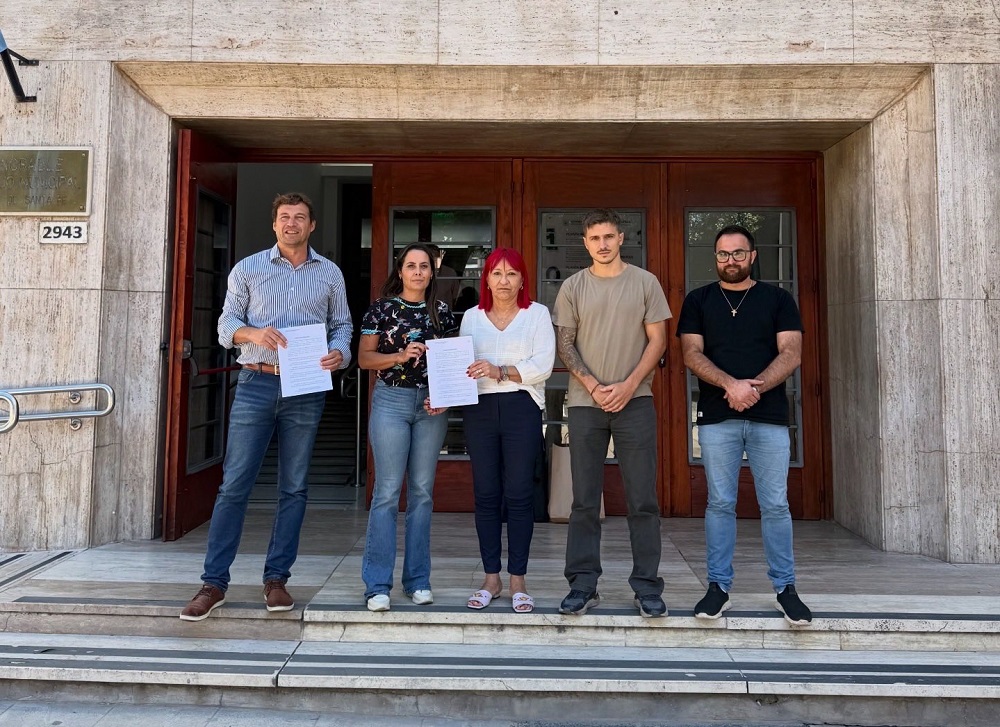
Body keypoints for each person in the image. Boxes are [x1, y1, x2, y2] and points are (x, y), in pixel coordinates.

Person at [180, 192, 352, 622]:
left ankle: (277, 579)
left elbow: (343, 324)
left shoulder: (330, 273)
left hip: (306, 387)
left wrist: (340, 352)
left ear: (312, 225)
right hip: (257, 381)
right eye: (284, 217)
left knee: (294, 487)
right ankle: (213, 583)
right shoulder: (248, 269)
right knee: (234, 485)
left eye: (300, 217)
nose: (292, 223)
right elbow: (225, 325)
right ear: (274, 224)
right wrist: (253, 334)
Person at [676, 224, 812, 626]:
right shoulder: (698, 300)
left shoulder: (778, 299)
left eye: (738, 253)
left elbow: (792, 352)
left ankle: (786, 589)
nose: (730, 260)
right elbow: (690, 353)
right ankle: (718, 588)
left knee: (776, 504)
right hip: (718, 417)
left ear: (752, 256)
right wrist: (730, 386)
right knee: (720, 503)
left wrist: (754, 388)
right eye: (723, 254)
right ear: (715, 258)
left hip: (769, 417)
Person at [552, 208, 671, 618]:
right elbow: (565, 345)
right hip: (586, 403)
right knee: (584, 500)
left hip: (635, 402)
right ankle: (582, 585)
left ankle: (647, 587)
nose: (602, 245)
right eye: (594, 239)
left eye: (608, 237)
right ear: (585, 243)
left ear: (621, 238)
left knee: (643, 499)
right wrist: (594, 385)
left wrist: (627, 386)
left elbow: (658, 341)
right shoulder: (573, 287)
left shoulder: (645, 283)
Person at [359, 243, 457, 612]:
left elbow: (452, 362)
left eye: (424, 266)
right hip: (391, 401)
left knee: (422, 493)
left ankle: (418, 581)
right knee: (386, 492)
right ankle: (377, 585)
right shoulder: (382, 308)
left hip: (431, 406)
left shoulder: (442, 311)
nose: (418, 272)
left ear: (432, 272)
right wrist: (400, 355)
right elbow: (364, 358)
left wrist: (444, 395)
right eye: (411, 266)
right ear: (400, 271)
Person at [460, 248, 555, 613]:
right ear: (486, 279)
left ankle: (518, 580)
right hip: (480, 409)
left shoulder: (537, 314)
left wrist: (500, 371)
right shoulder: (472, 317)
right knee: (485, 494)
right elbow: (462, 367)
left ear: (521, 280)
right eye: (497, 273)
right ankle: (491, 579)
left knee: (518, 494)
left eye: (511, 274)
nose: (504, 281)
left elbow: (543, 365)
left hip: (521, 407)